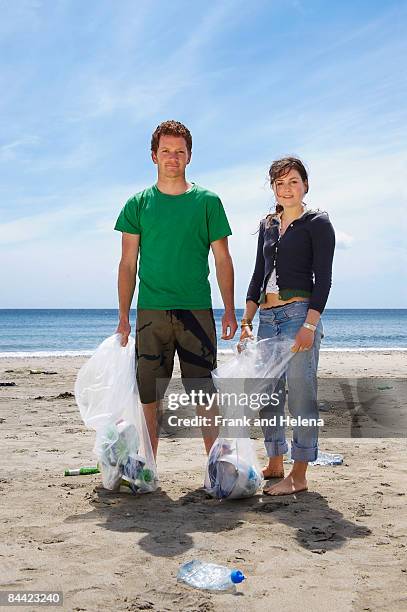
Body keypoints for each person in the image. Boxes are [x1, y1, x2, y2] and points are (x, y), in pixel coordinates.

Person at [114, 120, 237, 459]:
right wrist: (124, 317)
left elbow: (222, 259)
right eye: (165, 151)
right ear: (154, 156)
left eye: (179, 152)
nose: (172, 157)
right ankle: (147, 467)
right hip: (151, 311)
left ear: (189, 157)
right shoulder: (137, 204)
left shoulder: (208, 201)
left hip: (196, 309)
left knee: (204, 393)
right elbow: (127, 264)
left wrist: (229, 309)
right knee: (149, 394)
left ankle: (216, 467)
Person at [240, 157, 335, 496]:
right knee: (269, 394)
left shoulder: (317, 222)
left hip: (298, 316)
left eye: (293, 181)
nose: (287, 188)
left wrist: (310, 324)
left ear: (305, 185)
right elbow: (256, 275)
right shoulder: (268, 224)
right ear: (274, 189)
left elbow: (323, 279)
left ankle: (299, 474)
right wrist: (246, 322)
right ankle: (276, 461)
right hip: (267, 317)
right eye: (280, 183)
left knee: (301, 395)